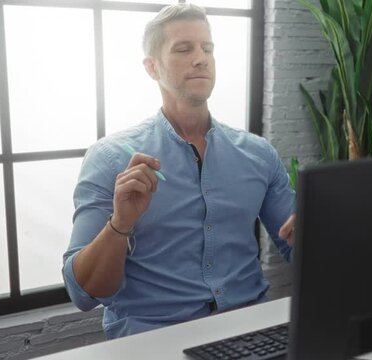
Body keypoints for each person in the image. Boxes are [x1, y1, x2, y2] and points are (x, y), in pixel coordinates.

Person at [62, 3, 296, 340]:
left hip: (249, 330)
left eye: (208, 48)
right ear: (152, 67)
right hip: (154, 337)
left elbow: (298, 249)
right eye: (184, 49)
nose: (200, 58)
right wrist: (120, 224)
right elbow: (82, 294)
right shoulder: (111, 158)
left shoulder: (258, 154)